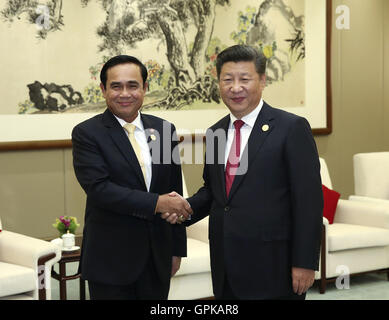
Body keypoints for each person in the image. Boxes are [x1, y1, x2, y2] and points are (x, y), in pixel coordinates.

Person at [163, 45, 323, 300]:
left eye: (244, 79)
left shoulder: (291, 128)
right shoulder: (216, 132)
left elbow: (309, 202)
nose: (235, 88)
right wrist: (183, 208)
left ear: (262, 80)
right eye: (228, 80)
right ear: (219, 83)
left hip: (274, 264)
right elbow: (215, 192)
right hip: (226, 263)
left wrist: (305, 262)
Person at [72, 55, 192, 300]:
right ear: (103, 90)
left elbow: (174, 192)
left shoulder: (163, 130)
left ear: (145, 88)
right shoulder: (87, 133)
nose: (124, 93)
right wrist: (157, 204)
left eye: (133, 85)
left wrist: (177, 250)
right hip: (110, 261)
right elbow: (100, 190)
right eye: (116, 86)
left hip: (157, 259)